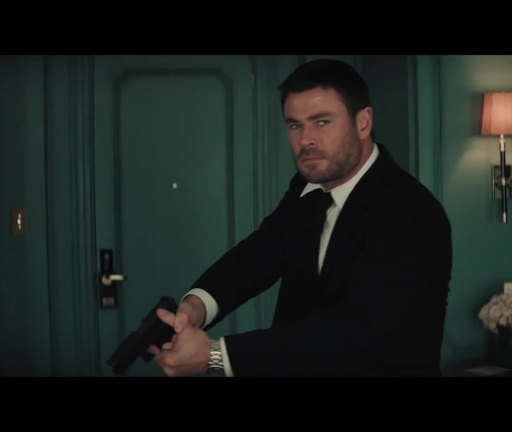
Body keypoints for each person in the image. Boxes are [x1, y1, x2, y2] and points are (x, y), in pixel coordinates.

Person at [147, 58, 453, 377]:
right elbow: (258, 255)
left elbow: (357, 336)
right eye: (294, 125)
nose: (306, 140)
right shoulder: (308, 187)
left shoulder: (412, 213)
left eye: (322, 122)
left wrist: (215, 355)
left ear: (363, 123)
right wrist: (196, 306)